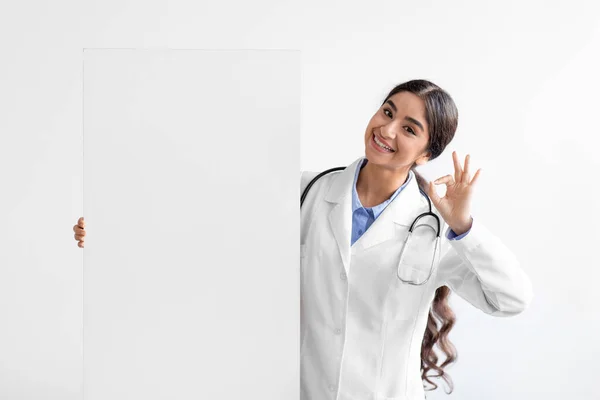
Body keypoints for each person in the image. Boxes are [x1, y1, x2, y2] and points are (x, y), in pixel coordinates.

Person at [73, 79, 534, 400]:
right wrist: (117, 230)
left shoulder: (437, 229)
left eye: (409, 128)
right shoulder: (306, 192)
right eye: (387, 111)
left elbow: (510, 300)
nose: (387, 130)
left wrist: (464, 228)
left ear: (428, 153)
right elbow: (208, 229)